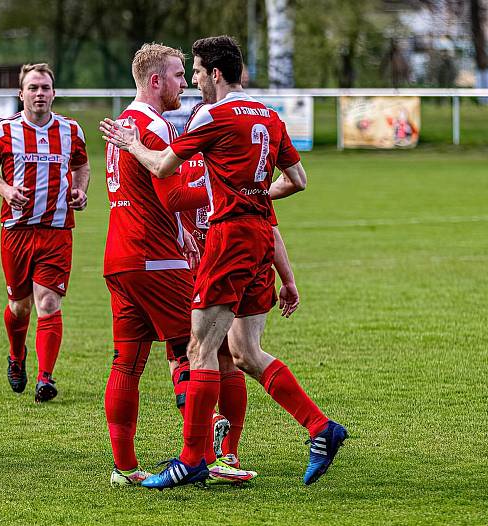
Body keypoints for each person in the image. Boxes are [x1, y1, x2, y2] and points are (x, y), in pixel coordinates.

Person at [101, 35, 347, 489]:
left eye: (194, 72)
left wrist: (132, 144)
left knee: (200, 351)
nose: (192, 80)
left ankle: (195, 457)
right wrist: (254, 194)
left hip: (225, 238)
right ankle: (319, 428)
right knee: (243, 352)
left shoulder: (210, 115)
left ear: (215, 73)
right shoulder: (270, 116)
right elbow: (299, 180)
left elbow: (163, 172)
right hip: (257, 236)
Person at [102, 43, 254, 487]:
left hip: (120, 256)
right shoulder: (152, 128)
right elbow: (172, 196)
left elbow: (152, 195)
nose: (184, 83)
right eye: (176, 75)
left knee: (126, 362)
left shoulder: (126, 124)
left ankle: (126, 468)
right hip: (157, 258)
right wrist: (225, 187)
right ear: (155, 81)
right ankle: (206, 457)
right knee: (198, 352)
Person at [154, 145, 301, 471]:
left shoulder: (180, 168)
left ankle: (205, 435)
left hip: (198, 268)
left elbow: (167, 209)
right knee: (231, 360)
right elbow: (270, 228)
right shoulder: (241, 168)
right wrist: (287, 278)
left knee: (185, 355)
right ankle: (229, 454)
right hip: (244, 265)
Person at [0, 63, 90, 403]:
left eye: (45, 88)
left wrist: (81, 190)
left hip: (57, 231)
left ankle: (45, 376)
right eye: (33, 88)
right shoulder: (3, 130)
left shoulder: (71, 130)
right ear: (21, 94)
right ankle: (16, 355)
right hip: (16, 231)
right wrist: (5, 190)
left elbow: (82, 166)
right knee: (19, 306)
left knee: (48, 302)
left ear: (53, 93)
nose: (39, 93)